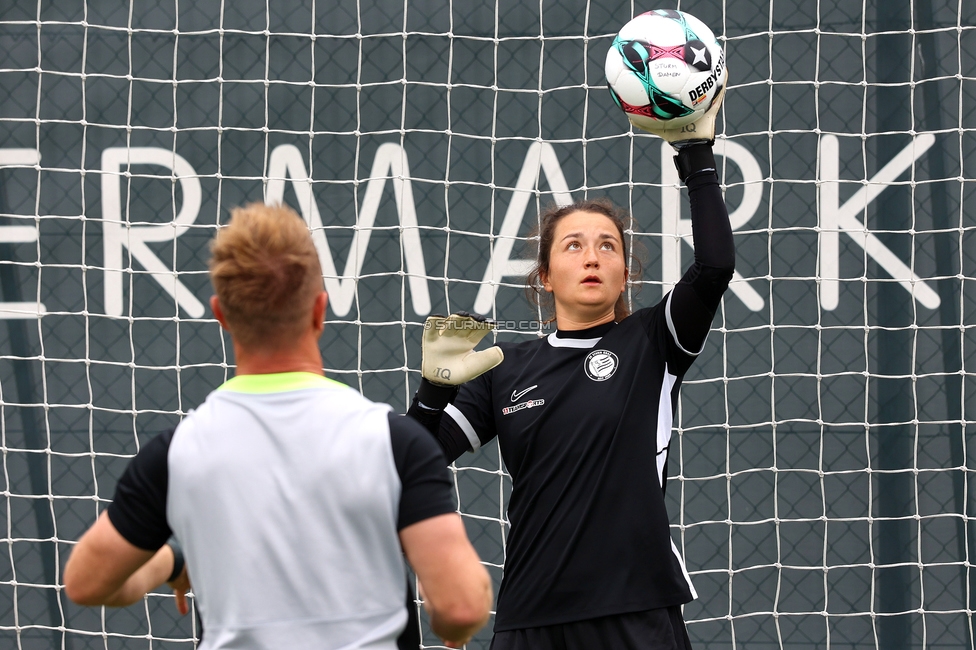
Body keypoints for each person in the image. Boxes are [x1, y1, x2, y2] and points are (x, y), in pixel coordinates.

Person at [64, 202, 492, 649]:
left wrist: (172, 562)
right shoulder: (392, 442)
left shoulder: (177, 453)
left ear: (221, 315)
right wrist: (452, 628)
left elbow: (86, 583)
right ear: (319, 310)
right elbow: (460, 607)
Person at [406, 90, 734, 649]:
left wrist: (696, 155)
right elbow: (413, 461)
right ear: (545, 276)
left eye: (608, 246)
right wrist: (432, 393)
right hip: (531, 616)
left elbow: (714, 266)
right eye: (574, 246)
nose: (591, 257)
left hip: (636, 610)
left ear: (625, 273)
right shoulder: (503, 366)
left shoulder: (653, 342)